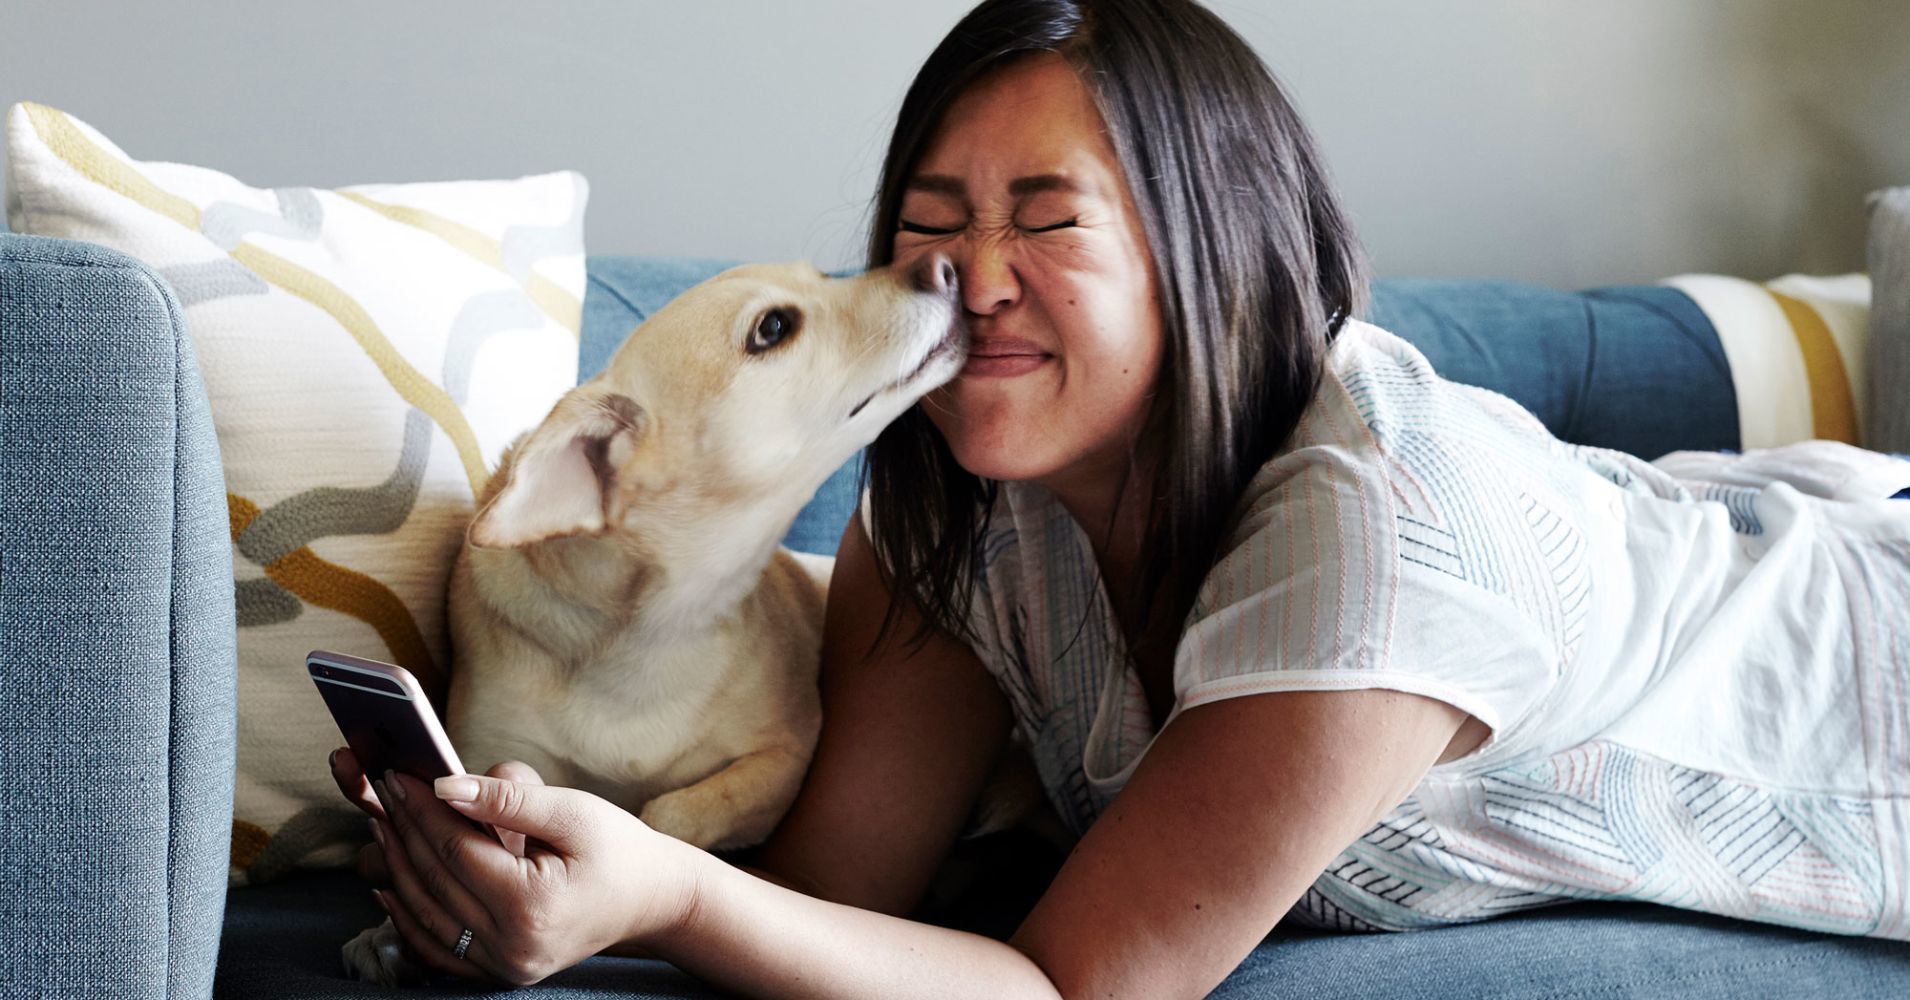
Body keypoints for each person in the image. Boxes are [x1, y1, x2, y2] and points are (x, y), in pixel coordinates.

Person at [330, 0, 1910, 995]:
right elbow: (831, 903)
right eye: (934, 222)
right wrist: (528, 879)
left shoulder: (1379, 537)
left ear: (1205, 249)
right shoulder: (962, 504)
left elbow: (1077, 992)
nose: (968, 278)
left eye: (1047, 221)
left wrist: (665, 890)